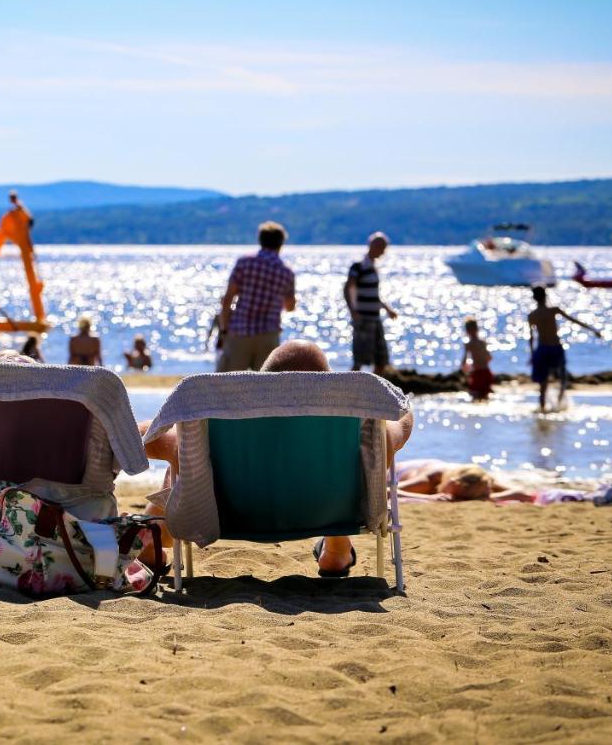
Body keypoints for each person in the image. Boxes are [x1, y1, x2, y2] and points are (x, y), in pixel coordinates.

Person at [140, 339, 414, 578]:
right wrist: (403, 411)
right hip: (330, 510)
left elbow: (146, 440)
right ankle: (337, 550)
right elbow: (402, 423)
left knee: (182, 454)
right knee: (363, 453)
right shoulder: (349, 424)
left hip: (230, 512)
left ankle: (153, 540)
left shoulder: (221, 426)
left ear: (263, 381)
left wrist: (155, 438)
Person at [217, 221, 296, 372]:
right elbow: (290, 306)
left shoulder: (244, 263)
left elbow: (228, 299)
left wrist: (224, 328)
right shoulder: (286, 271)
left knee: (227, 386)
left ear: (260, 240)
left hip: (240, 332)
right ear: (281, 243)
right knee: (265, 389)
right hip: (268, 335)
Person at [527, 286, 601, 412]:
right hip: (555, 348)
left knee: (543, 384)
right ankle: (559, 404)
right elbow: (574, 321)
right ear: (545, 296)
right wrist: (592, 330)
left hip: (542, 349)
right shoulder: (553, 310)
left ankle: (543, 408)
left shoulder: (532, 315)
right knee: (562, 378)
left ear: (534, 298)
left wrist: (533, 354)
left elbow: (531, 338)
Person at [345, 232, 398, 373]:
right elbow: (347, 288)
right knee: (360, 360)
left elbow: (374, 294)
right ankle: (349, 391)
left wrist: (387, 308)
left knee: (381, 359)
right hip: (363, 318)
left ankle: (374, 391)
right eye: (382, 248)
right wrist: (353, 311)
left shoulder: (373, 267)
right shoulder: (359, 267)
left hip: (375, 318)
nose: (383, 252)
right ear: (374, 246)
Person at [393, 460, 532, 502]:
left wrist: (489, 497)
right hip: (399, 470)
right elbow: (388, 491)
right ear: (453, 483)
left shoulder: (480, 480)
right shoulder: (432, 479)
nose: (453, 498)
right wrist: (431, 498)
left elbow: (523, 493)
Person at [460, 318, 493, 401]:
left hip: (477, 372)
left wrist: (464, 368)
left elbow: (464, 359)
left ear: (467, 331)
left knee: (475, 396)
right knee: (485, 396)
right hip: (486, 371)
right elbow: (489, 358)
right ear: (477, 329)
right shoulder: (482, 343)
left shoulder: (469, 344)